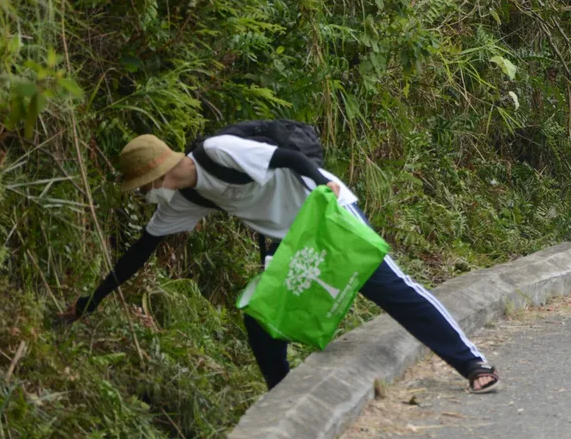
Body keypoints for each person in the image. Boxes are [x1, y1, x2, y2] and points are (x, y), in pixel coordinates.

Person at [56, 131, 499, 394]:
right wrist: (88, 303)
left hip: (324, 210)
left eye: (141, 188)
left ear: (155, 175)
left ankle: (472, 364)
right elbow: (138, 254)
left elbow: (287, 158)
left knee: (391, 289)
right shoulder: (179, 201)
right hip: (288, 241)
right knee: (261, 314)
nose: (143, 196)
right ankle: (282, 392)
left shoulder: (218, 150)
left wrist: (327, 187)